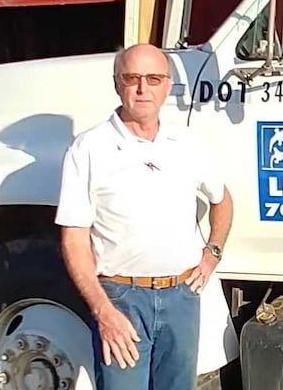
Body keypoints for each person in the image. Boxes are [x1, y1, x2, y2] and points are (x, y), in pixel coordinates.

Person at [55, 43, 233, 389]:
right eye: (132, 78)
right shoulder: (88, 149)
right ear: (117, 83)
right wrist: (103, 311)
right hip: (122, 299)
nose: (142, 89)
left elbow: (222, 200)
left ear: (167, 86)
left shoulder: (186, 144)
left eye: (153, 79)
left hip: (181, 296)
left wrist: (212, 254)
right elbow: (73, 239)